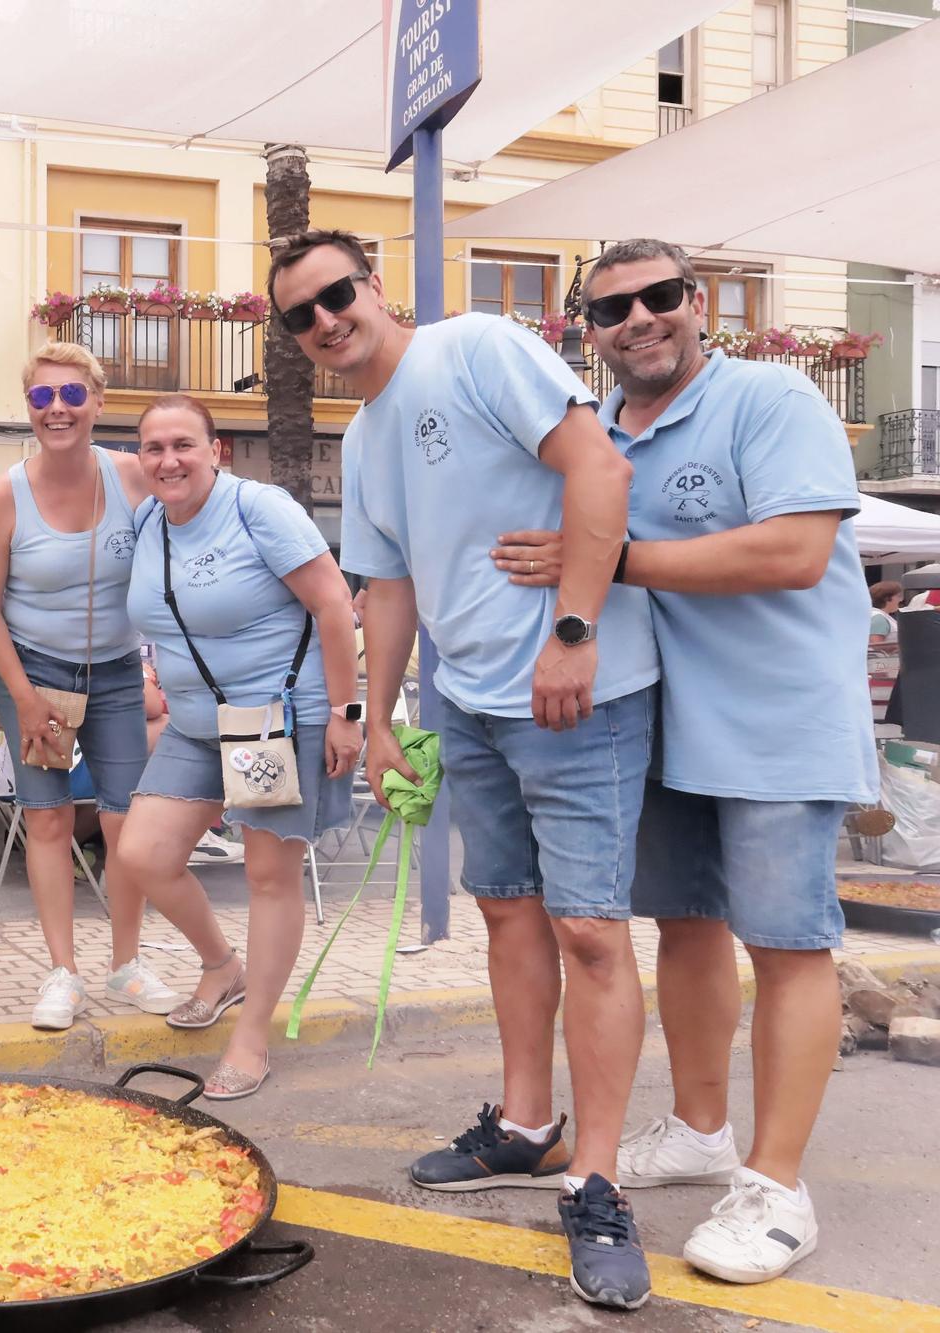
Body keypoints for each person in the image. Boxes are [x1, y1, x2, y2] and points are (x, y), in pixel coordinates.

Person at [273, 229, 660, 1310]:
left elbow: (598, 466)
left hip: (577, 691)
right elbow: (387, 584)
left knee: (587, 929)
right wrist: (378, 712)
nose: (323, 321)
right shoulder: (362, 439)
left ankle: (597, 1180)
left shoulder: (477, 347)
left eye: (334, 294)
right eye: (298, 315)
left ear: (373, 286)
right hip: (473, 709)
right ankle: (527, 1126)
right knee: (505, 915)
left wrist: (572, 629)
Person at [490, 239, 878, 1286]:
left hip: (776, 721)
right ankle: (702, 1130)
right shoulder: (599, 435)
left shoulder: (766, 396)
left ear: (695, 303)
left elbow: (793, 551)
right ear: (586, 330)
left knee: (788, 944)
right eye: (609, 308)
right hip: (661, 721)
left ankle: (775, 1185)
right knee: (686, 927)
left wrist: (603, 557)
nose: (637, 320)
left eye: (657, 297)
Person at [110, 396, 359, 1097]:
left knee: (267, 879)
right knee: (142, 853)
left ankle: (252, 1040)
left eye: (184, 444)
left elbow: (334, 603)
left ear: (216, 450)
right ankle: (222, 965)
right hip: (194, 721)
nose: (169, 460)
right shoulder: (149, 519)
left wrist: (348, 711)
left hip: (271, 722)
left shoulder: (260, 507)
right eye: (154, 447)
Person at [0, 342, 182, 1030]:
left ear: (97, 402)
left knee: (127, 821)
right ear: (28, 407)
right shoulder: (6, 493)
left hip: (118, 669)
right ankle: (62, 971)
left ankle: (126, 962)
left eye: (70, 396)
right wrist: (24, 697)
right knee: (49, 818)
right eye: (40, 397)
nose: (55, 409)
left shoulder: (130, 476)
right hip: (33, 670)